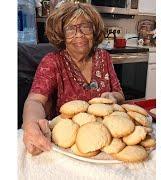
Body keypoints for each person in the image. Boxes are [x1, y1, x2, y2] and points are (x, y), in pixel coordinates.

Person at [22, 2, 125, 155]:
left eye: (85, 26)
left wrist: (113, 98)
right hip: (66, 147)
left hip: (105, 141)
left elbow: (119, 95)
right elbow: (35, 101)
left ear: (94, 30)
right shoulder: (53, 62)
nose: (79, 34)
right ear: (61, 35)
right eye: (70, 29)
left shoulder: (104, 57)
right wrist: (32, 124)